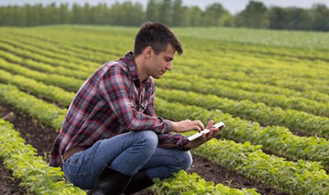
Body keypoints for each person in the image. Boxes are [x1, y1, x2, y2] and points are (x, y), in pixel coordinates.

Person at [49, 22, 220, 195]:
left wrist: (188, 142)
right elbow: (132, 121)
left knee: (182, 159)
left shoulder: (147, 85)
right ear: (148, 52)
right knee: (146, 139)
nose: (169, 67)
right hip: (79, 163)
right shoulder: (115, 72)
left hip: (109, 158)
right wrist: (175, 125)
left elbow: (155, 129)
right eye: (167, 59)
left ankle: (117, 190)